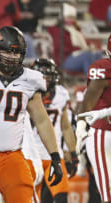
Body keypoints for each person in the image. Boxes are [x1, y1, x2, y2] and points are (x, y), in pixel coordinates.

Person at [0, 26, 63, 203]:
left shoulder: (31, 80)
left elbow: (42, 120)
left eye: (17, 53)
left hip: (11, 156)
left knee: (22, 196)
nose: (12, 57)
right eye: (7, 52)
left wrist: (55, 157)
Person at [31, 58, 78, 203]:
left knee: (61, 196)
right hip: (31, 154)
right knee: (33, 198)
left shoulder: (61, 94)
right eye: (42, 76)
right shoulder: (26, 91)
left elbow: (65, 126)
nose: (45, 81)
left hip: (53, 154)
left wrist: (73, 152)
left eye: (48, 77)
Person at [76, 33, 111, 203]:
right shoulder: (104, 68)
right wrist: (81, 127)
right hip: (104, 134)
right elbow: (88, 101)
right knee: (108, 193)